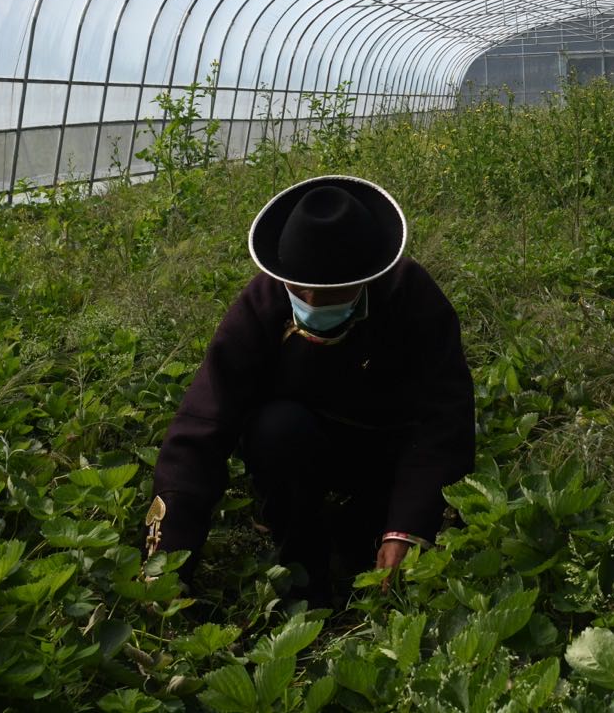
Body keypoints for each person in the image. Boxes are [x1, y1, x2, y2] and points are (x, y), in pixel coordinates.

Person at [144, 175, 476, 608]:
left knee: (368, 543)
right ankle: (304, 572)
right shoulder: (261, 305)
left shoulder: (412, 297)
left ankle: (365, 531)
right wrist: (167, 563)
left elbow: (444, 421)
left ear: (369, 276)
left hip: (389, 451)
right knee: (274, 428)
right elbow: (203, 424)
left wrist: (407, 527)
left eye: (334, 293)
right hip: (301, 448)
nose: (315, 303)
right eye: (302, 291)